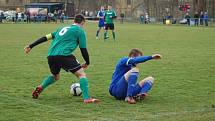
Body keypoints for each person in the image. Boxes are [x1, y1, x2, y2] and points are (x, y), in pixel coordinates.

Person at [24, 14, 99, 104]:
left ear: (74, 21)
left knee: (55, 76)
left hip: (51, 55)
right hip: (64, 55)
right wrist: (87, 62)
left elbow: (45, 38)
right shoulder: (80, 31)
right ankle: (87, 98)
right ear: (83, 22)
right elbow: (83, 49)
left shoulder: (60, 29)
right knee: (81, 74)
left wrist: (31, 46)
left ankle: (41, 87)